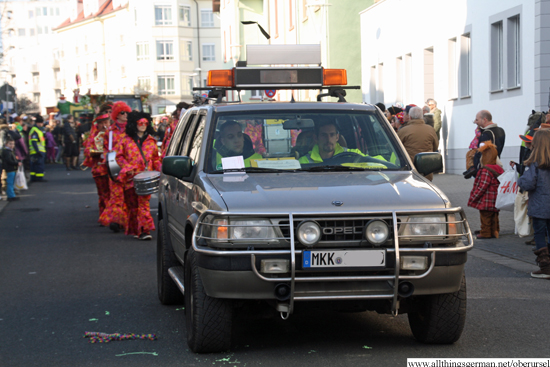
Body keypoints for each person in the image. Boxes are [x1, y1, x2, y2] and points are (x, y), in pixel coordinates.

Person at [116, 111, 161, 240]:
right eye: (140, 123)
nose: (143, 125)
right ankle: (136, 228)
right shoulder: (125, 140)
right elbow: (119, 157)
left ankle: (145, 230)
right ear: (133, 124)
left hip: (145, 178)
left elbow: (155, 159)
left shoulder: (151, 141)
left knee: (143, 205)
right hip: (130, 178)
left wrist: (161, 172)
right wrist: (128, 168)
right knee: (132, 206)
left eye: (146, 123)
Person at [518, 129, 550, 279]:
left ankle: (545, 266)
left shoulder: (536, 164)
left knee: (539, 234)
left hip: (539, 205)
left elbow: (529, 183)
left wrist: (520, 182)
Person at [99, 101, 132, 233]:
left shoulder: (132, 129)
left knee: (130, 195)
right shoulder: (110, 131)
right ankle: (117, 220)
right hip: (115, 165)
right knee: (116, 195)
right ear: (116, 115)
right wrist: (108, 160)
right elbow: (106, 148)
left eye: (127, 113)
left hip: (129, 165)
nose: (125, 115)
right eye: (122, 113)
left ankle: (129, 221)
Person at [467, 142, 504, 239]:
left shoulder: (485, 170)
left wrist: (474, 196)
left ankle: (486, 232)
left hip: (486, 199)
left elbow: (482, 186)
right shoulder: (498, 169)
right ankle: (495, 231)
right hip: (495, 198)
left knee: (485, 217)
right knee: (494, 216)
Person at [397, 106, 439, 180]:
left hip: (409, 168)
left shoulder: (403, 131)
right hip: (426, 169)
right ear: (422, 117)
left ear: (409, 117)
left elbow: (397, 148)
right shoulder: (430, 129)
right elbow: (435, 147)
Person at [83, 113, 111, 224]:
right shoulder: (93, 136)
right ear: (97, 125)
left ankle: (113, 217)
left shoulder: (114, 135)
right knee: (103, 194)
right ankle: (104, 216)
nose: (104, 126)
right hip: (99, 170)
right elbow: (87, 150)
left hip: (113, 169)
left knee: (114, 194)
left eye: (106, 123)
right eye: (102, 123)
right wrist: (93, 152)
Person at [464, 110, 506, 179]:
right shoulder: (501, 130)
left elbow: (481, 155)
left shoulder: (486, 134)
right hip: (495, 168)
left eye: (477, 120)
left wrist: (476, 170)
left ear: (484, 120)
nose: (475, 122)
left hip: (486, 171)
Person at [298, 121, 364, 164]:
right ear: (316, 138)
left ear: (337, 137)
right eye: (324, 135)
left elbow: (373, 161)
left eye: (332, 135)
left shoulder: (352, 155)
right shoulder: (304, 162)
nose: (328, 139)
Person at [29, 115, 47, 182]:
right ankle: (39, 178)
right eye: (42, 123)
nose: (42, 124)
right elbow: (34, 141)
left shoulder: (36, 130)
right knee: (39, 165)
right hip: (37, 151)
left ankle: (34, 178)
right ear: (39, 123)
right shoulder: (35, 130)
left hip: (34, 151)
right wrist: (38, 151)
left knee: (34, 165)